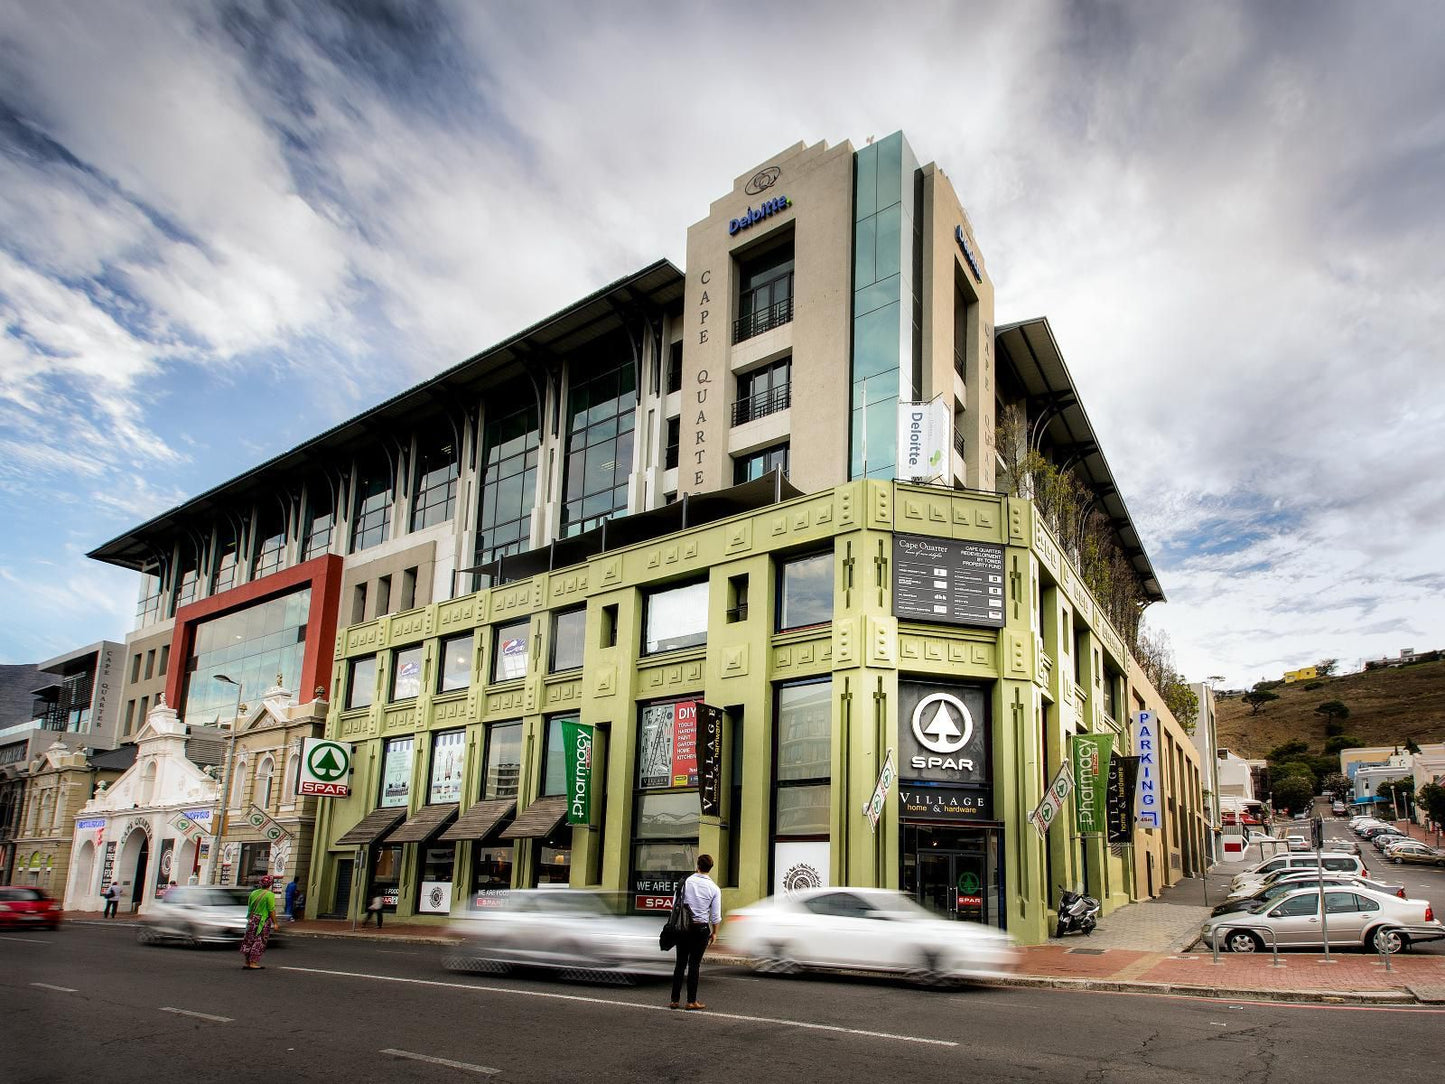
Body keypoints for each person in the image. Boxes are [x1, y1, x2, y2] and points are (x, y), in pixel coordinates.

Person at [670, 854, 721, 1011]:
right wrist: (714, 933)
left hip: (683, 928)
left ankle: (674, 1000)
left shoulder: (684, 883)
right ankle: (691, 1001)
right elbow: (715, 916)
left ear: (697, 865)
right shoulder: (714, 888)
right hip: (700, 929)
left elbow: (674, 905)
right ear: (710, 868)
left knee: (680, 964)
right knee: (694, 965)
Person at [240, 875, 277, 970]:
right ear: (270, 884)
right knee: (259, 941)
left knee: (249, 939)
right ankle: (253, 962)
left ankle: (247, 961)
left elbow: (250, 907)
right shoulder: (270, 895)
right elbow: (271, 910)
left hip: (252, 919)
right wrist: (275, 923)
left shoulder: (253, 893)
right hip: (262, 921)